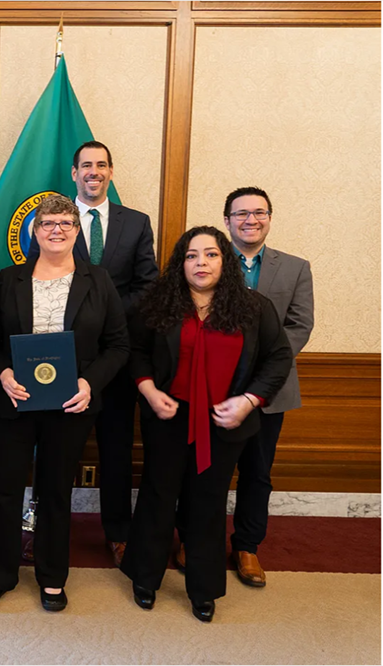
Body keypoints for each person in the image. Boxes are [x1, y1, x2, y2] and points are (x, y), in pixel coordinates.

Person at [120, 226, 292, 622]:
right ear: (181, 263)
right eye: (192, 255)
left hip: (225, 422)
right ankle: (145, 577)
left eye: (211, 255)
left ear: (225, 261)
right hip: (168, 416)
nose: (201, 263)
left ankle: (203, 587)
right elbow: (136, 351)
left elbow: (278, 358)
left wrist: (249, 401)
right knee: (158, 496)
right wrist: (147, 389)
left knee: (208, 503)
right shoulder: (157, 304)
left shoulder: (254, 307)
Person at [0, 195, 129, 612]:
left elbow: (118, 344)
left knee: (57, 491)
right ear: (34, 231)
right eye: (47, 223)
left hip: (70, 405)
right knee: (4, 489)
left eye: (65, 222)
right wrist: (3, 373)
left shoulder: (99, 280)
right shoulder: (10, 279)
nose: (56, 229)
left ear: (77, 231)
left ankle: (52, 577)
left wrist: (89, 382)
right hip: (15, 401)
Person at [174, 187, 314, 587]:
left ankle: (248, 545)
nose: (250, 220)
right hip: (207, 390)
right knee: (198, 470)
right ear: (227, 221)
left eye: (259, 212)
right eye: (241, 214)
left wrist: (254, 382)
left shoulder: (295, 267)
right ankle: (193, 539)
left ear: (270, 217)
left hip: (266, 394)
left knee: (257, 472)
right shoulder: (208, 262)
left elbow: (299, 326)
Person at [27, 141, 157, 566]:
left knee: (116, 450)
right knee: (52, 451)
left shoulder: (136, 223)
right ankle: (41, 528)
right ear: (74, 173)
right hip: (61, 358)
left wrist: (105, 313)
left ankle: (118, 533)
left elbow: (148, 284)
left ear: (111, 172)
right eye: (86, 165)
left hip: (115, 359)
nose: (93, 172)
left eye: (101, 165)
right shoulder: (51, 222)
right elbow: (36, 279)